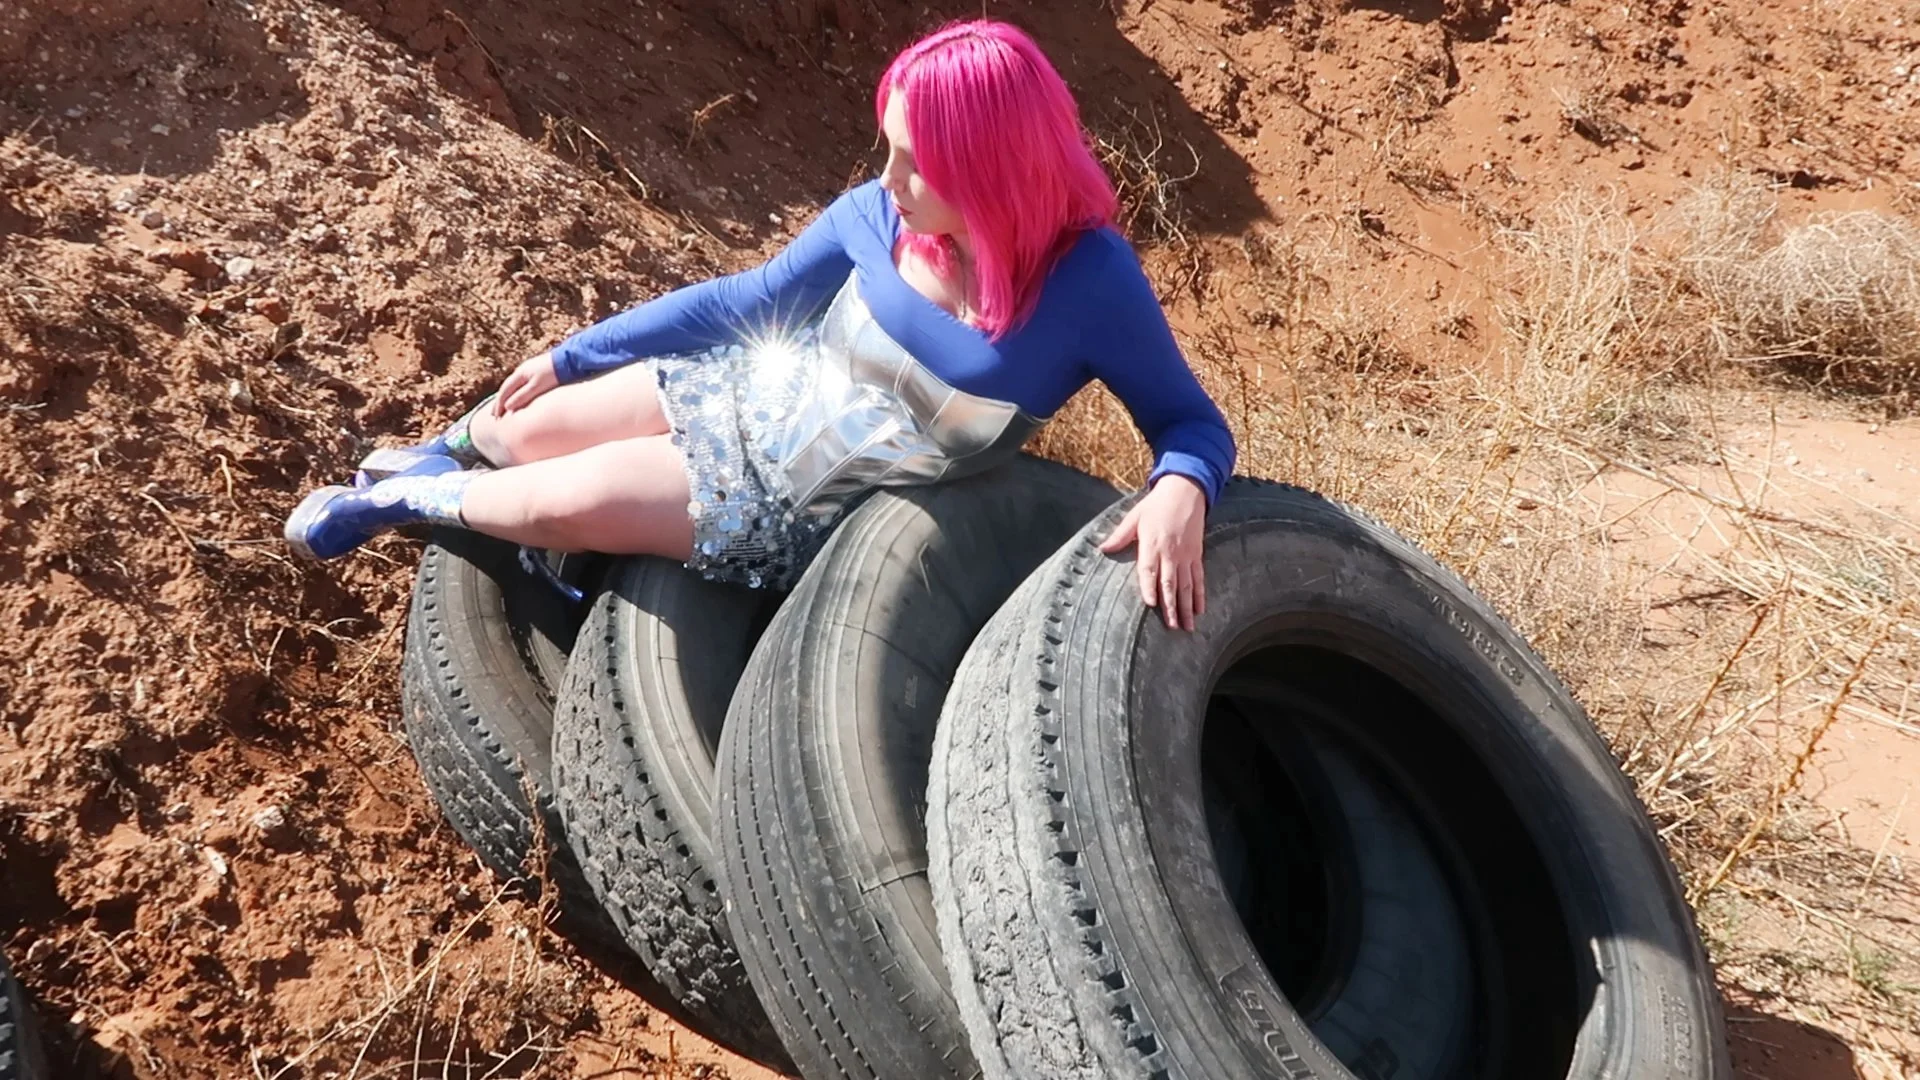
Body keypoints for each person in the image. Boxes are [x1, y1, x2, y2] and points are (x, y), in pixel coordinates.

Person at [283, 18, 1236, 631]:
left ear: (992, 167)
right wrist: (573, 354)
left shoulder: (1092, 280)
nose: (889, 179)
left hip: (794, 503)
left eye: (916, 162)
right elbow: (745, 302)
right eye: (890, 151)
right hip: (745, 392)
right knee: (519, 425)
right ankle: (441, 451)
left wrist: (1181, 490)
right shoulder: (881, 212)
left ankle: (390, 504)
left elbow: (1189, 423)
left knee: (555, 500)